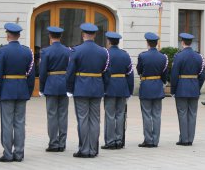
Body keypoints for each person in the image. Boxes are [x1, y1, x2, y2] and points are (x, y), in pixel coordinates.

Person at [66, 23, 109, 158]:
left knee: (83, 119)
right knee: (95, 120)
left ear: (83, 35)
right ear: (94, 35)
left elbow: (70, 72)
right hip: (97, 88)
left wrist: (69, 89)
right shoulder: (103, 51)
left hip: (81, 88)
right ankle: (93, 149)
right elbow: (107, 73)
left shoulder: (76, 51)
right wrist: (104, 88)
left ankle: (84, 149)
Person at [0, 23, 35, 162]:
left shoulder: (2, 51)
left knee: (7, 123)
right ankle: (19, 153)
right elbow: (31, 74)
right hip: (22, 90)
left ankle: (8, 154)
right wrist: (28, 92)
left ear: (8, 35)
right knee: (20, 123)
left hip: (7, 91)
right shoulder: (27, 51)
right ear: (19, 35)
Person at [39, 26, 71, 152]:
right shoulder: (68, 51)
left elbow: (42, 72)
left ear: (50, 37)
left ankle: (53, 143)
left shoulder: (46, 51)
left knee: (52, 115)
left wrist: (41, 88)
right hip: (64, 84)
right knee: (63, 115)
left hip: (51, 84)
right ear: (60, 37)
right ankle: (62, 143)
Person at [171, 33, 205, 146]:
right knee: (192, 114)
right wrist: (197, 87)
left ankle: (184, 139)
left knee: (182, 113)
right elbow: (202, 75)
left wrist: (173, 90)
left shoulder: (179, 56)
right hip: (194, 88)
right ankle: (190, 139)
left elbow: (174, 75)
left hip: (181, 88)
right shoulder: (198, 57)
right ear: (191, 43)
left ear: (182, 43)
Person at [102, 31, 134, 150]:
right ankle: (119, 140)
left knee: (110, 115)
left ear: (109, 41)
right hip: (122, 87)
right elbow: (130, 74)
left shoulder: (106, 54)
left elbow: (103, 73)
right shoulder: (125, 55)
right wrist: (130, 90)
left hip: (109, 87)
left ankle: (110, 141)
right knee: (120, 115)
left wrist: (103, 88)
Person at [136, 32, 168, 148]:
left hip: (146, 87)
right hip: (158, 87)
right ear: (156, 43)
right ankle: (155, 140)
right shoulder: (163, 57)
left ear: (147, 43)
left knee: (146, 114)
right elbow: (164, 74)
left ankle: (148, 140)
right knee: (157, 115)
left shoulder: (142, 56)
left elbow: (139, 70)